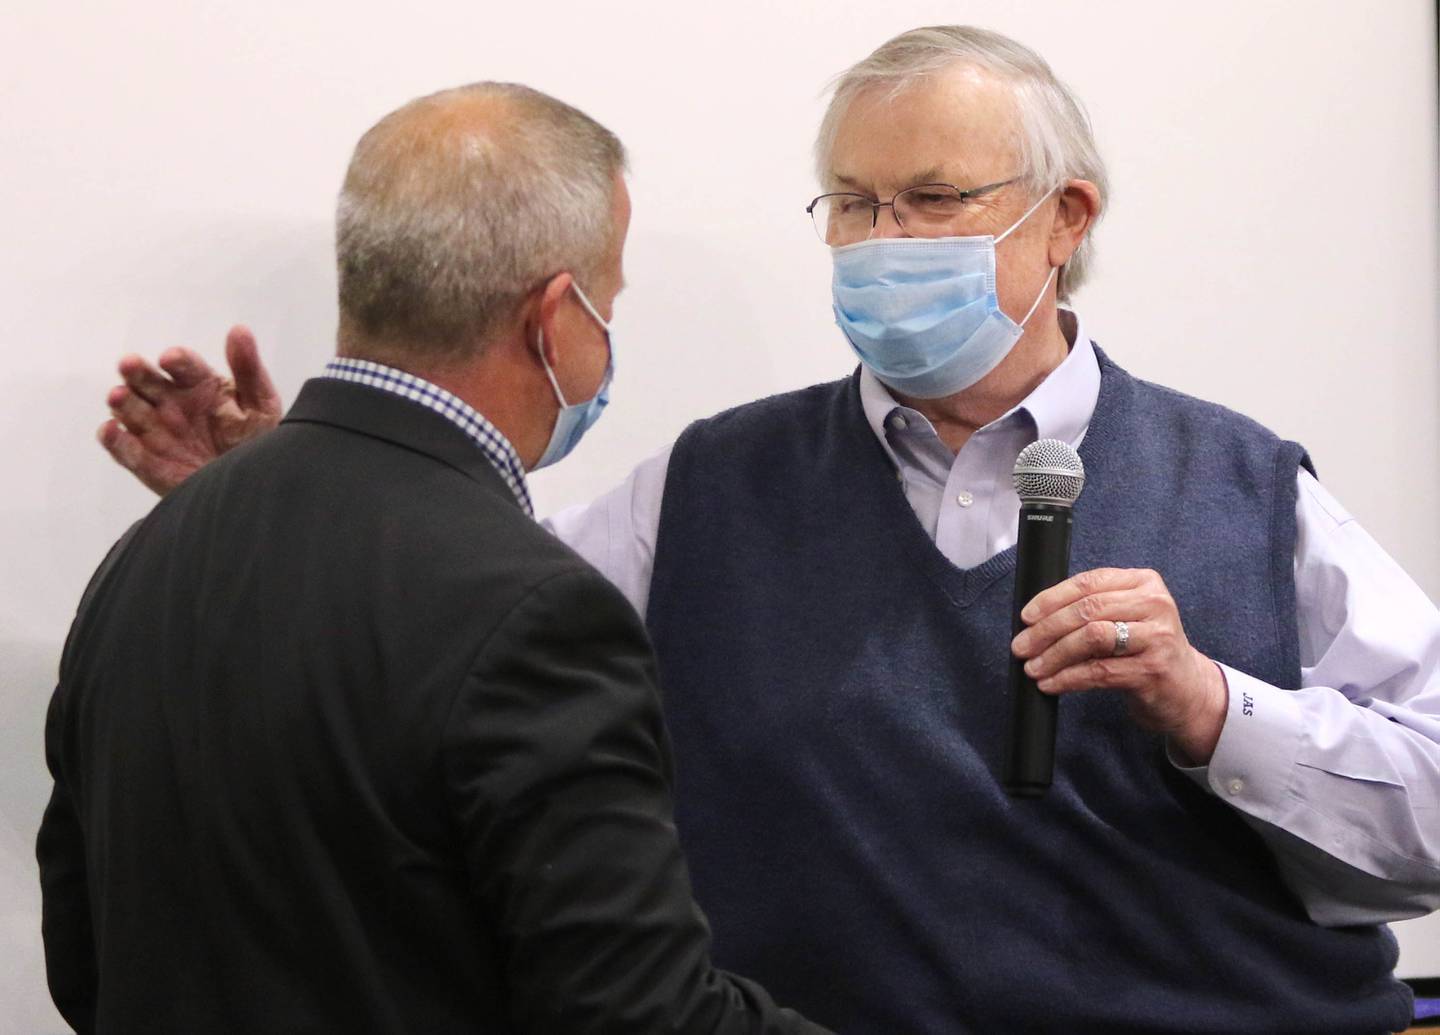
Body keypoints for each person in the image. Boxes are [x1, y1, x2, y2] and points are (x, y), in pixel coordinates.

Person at [95, 27, 1440, 1034]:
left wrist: (1211, 704)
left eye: (931, 198)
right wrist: (305, 488)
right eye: (850, 203)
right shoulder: (715, 482)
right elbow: (449, 628)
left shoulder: (1246, 485)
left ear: (1063, 219)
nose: (878, 240)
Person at [40, 82, 832, 1035]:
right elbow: (636, 1015)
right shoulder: (538, 613)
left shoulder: (143, 559)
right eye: (608, 300)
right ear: (555, 316)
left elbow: (82, 958)